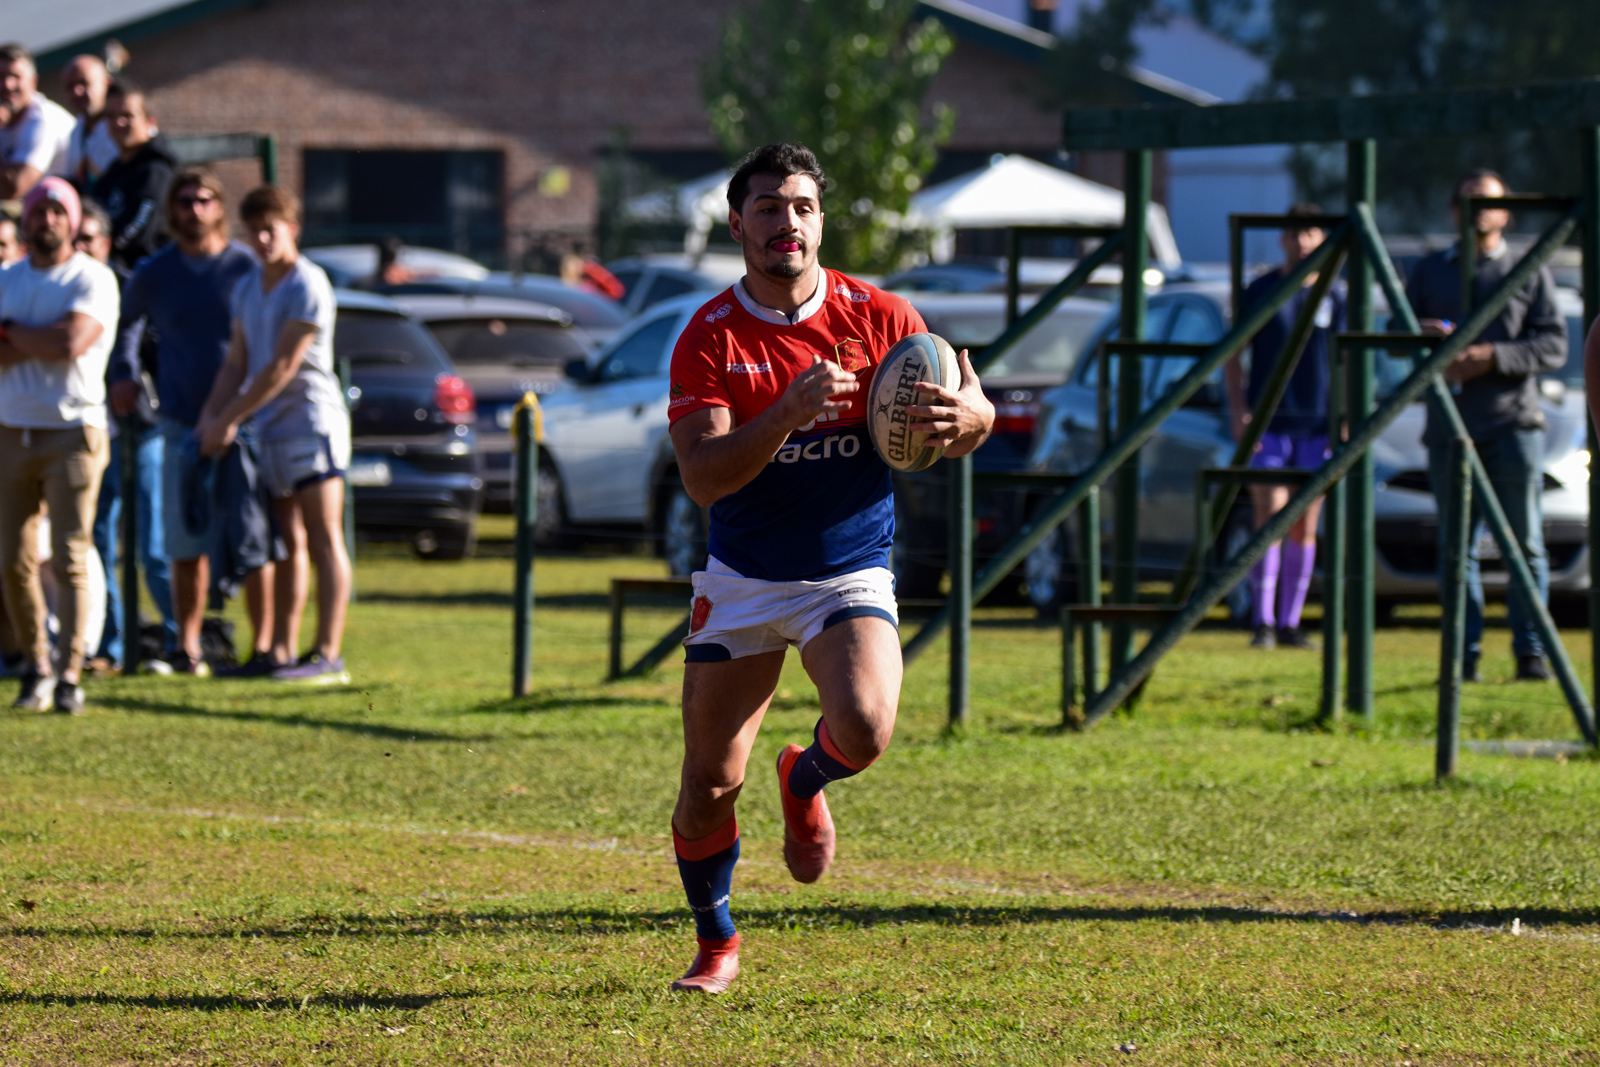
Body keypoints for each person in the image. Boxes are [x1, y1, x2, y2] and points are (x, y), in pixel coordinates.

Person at [663, 143, 994, 994]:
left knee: (867, 724)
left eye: (803, 207)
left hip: (847, 569)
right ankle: (717, 942)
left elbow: (969, 404)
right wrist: (785, 412)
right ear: (737, 224)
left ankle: (803, 775)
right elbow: (702, 476)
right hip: (743, 575)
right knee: (708, 783)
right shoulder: (708, 336)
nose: (788, 222)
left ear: (821, 221)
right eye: (768, 208)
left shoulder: (881, 315)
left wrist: (971, 419)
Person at [1407, 169, 1567, 682]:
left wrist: (1492, 357)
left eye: (1488, 202)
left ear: (1506, 212)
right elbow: (1396, 337)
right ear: (1453, 211)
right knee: (1456, 550)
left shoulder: (1528, 267)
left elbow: (1554, 344)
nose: (1477, 212)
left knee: (1525, 545)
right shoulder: (1430, 270)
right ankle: (1463, 657)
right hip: (1449, 428)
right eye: (1468, 202)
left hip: (1513, 425)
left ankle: (1531, 654)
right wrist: (1423, 337)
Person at [111, 167, 271, 676]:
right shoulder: (156, 272)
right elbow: (125, 326)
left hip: (245, 424)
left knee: (254, 541)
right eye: (184, 202)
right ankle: (188, 647)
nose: (194, 210)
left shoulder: (245, 266)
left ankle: (265, 647)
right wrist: (124, 374)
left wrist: (240, 410)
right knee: (185, 542)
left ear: (220, 207)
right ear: (171, 210)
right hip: (180, 423)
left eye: (204, 200)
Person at [196, 185, 351, 684]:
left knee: (324, 537)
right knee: (286, 543)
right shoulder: (248, 286)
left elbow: (282, 366)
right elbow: (236, 362)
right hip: (270, 429)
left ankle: (328, 653)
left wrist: (230, 418)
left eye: (271, 230)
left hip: (310, 423)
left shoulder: (307, 282)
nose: (262, 240)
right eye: (254, 231)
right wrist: (210, 415)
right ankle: (280, 650)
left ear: (292, 229)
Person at [0, 178, 119, 713]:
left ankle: (71, 672)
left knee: (71, 554)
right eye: (38, 210)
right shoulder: (8, 278)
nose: (46, 219)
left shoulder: (92, 277)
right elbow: (50, 341)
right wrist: (38, 338)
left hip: (73, 429)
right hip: (11, 427)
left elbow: (71, 342)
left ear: (71, 220)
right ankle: (37, 666)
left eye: (56, 210)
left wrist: (10, 333)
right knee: (13, 559)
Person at [1224, 204, 1345, 651]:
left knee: (1304, 523)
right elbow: (1233, 353)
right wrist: (1239, 409)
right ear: (1282, 239)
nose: (1302, 242)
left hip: (1317, 424)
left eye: (1310, 233)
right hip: (1269, 422)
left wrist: (1344, 416)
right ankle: (1263, 621)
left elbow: (1350, 361)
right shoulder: (1261, 289)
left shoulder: (1336, 295)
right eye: (1293, 234)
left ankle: (1292, 622)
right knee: (1269, 515)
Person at [79, 201, 176, 672]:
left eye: (89, 238)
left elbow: (155, 344)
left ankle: (180, 641)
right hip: (93, 429)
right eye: (76, 238)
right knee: (98, 538)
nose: (81, 247)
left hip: (140, 425)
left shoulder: (129, 285)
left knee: (152, 542)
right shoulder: (64, 288)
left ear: (106, 241)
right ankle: (111, 645)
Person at [88, 80, 177, 274]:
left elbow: (140, 228)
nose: (118, 123)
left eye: (127, 115)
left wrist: (106, 248)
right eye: (111, 116)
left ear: (150, 121)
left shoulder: (157, 171)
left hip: (146, 277)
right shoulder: (111, 173)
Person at [0, 44, 76, 200]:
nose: (7, 84)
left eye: (15, 76)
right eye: (0, 77)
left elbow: (12, 190)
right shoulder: (6, 118)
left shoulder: (44, 119)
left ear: (33, 82)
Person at [61, 55, 117, 190]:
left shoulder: (123, 126)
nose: (77, 92)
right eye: (70, 87)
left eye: (84, 83)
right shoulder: (75, 132)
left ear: (107, 84)